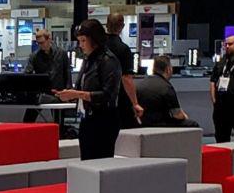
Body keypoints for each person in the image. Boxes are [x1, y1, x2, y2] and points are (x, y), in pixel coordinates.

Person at [55, 19, 121, 160]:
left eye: (83, 41)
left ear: (95, 39)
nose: (81, 45)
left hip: (104, 121)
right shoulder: (88, 60)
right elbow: (82, 87)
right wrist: (70, 95)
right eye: (79, 41)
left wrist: (77, 94)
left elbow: (108, 95)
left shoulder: (109, 61)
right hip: (87, 119)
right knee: (86, 161)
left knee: (100, 162)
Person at [105, 12, 145, 128]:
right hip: (119, 98)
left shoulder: (98, 47)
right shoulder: (124, 49)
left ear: (106, 25)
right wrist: (135, 103)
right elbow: (126, 78)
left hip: (99, 98)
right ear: (122, 26)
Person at [23, 28, 71, 123]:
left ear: (49, 39)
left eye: (42, 42)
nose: (40, 45)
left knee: (59, 122)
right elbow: (27, 74)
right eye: (38, 43)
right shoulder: (34, 56)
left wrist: (68, 92)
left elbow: (67, 73)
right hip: (42, 93)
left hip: (58, 92)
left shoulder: (61, 53)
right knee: (28, 120)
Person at [137, 55, 199, 128]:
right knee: (193, 124)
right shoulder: (166, 87)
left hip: (142, 123)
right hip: (160, 125)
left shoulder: (141, 84)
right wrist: (185, 116)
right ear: (168, 69)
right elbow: (178, 115)